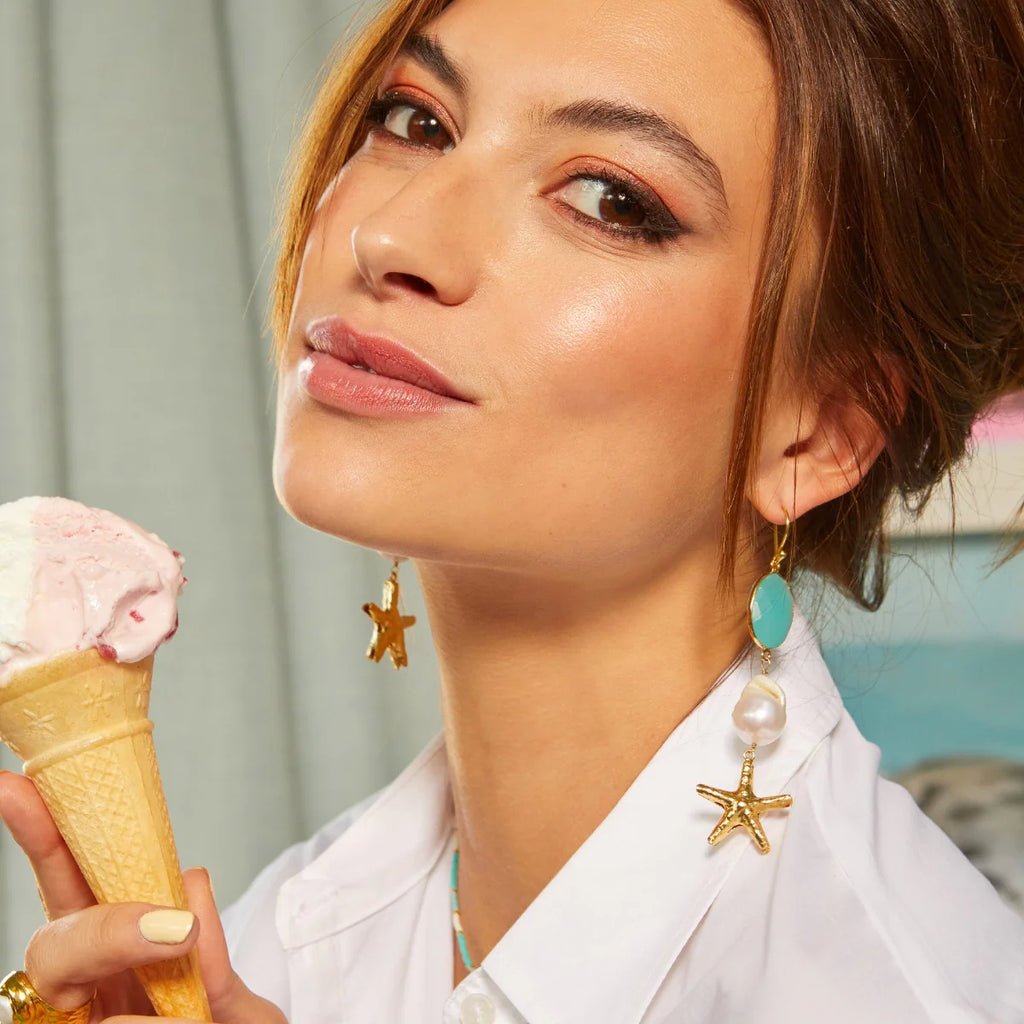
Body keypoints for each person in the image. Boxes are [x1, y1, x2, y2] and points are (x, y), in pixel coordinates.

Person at [1, 0, 1023, 1020]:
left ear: (821, 433)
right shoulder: (283, 939)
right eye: (415, 121)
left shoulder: (879, 991)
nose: (389, 234)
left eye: (608, 199)